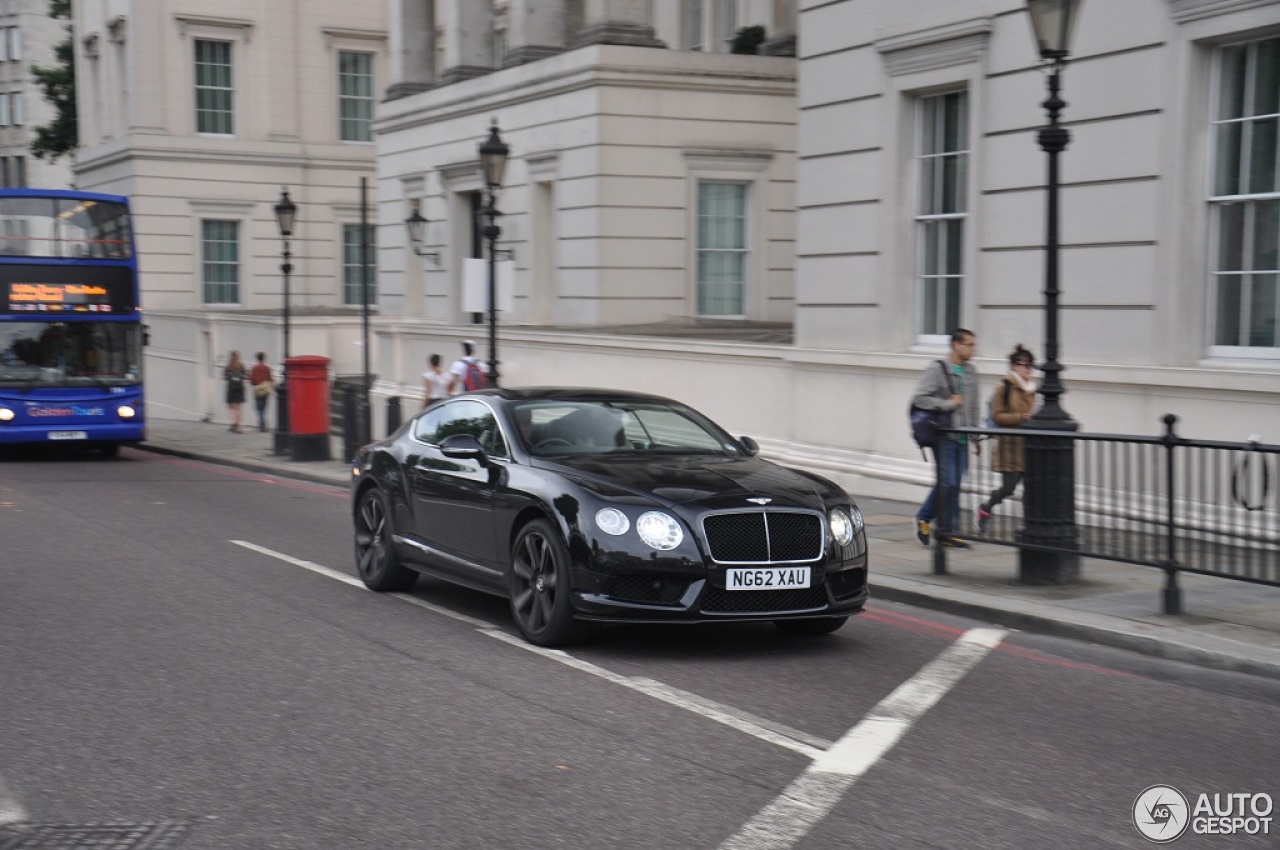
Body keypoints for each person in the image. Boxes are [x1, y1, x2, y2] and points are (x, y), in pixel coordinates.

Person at [911, 328, 981, 549]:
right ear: (955, 345)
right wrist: (948, 404)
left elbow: (974, 406)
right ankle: (928, 519)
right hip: (944, 436)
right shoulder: (938, 369)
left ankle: (946, 531)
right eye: (969, 344)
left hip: (962, 436)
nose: (973, 349)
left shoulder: (971, 372)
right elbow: (920, 398)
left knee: (954, 484)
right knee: (947, 482)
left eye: (973, 345)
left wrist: (975, 437)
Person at [977, 344, 1037, 532]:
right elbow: (997, 416)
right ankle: (985, 508)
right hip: (1010, 447)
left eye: (1030, 365)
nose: (1029, 369)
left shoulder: (1031, 389)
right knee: (1008, 488)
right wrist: (1021, 417)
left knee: (1031, 488)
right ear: (1014, 366)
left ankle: (1030, 524)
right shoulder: (1004, 387)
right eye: (1024, 365)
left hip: (1028, 446)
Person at [249, 351, 274, 432]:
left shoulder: (254, 368)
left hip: (257, 390)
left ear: (257, 358)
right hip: (265, 390)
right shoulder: (267, 368)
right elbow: (270, 379)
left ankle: (262, 423)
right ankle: (263, 423)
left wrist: (255, 383)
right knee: (264, 408)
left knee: (259, 408)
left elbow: (252, 380)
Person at [224, 350, 247, 433]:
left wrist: (231, 377)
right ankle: (238, 424)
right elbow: (245, 376)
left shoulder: (228, 366)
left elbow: (225, 377)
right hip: (240, 388)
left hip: (231, 388)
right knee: (238, 408)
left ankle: (233, 422)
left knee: (231, 407)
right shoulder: (241, 366)